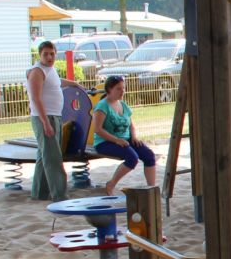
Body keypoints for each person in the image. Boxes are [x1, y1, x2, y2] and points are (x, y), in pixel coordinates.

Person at [26, 40, 83, 202]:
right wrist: (45, 122)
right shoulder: (37, 71)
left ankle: (39, 192)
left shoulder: (50, 70)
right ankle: (60, 195)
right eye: (46, 54)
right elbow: (35, 98)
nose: (50, 57)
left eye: (52, 54)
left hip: (55, 116)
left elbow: (57, 83)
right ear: (40, 55)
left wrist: (73, 84)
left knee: (45, 155)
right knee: (53, 158)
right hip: (45, 117)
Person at [92, 75, 157, 196]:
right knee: (132, 157)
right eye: (118, 88)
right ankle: (111, 183)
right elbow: (98, 130)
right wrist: (117, 140)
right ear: (109, 90)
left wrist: (134, 137)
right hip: (105, 142)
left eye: (123, 88)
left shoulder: (123, 105)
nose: (122, 91)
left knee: (149, 155)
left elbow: (131, 125)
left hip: (125, 139)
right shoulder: (102, 106)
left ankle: (151, 189)